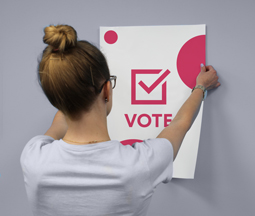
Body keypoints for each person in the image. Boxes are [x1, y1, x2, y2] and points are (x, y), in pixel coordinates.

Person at [20, 24, 220, 216]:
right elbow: (180, 124)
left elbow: (58, 123)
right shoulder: (139, 164)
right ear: (107, 89)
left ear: (57, 99)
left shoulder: (33, 158)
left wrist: (67, 93)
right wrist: (200, 87)